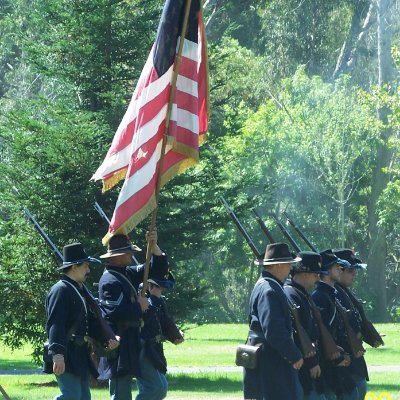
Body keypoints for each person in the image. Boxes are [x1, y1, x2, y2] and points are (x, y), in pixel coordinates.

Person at [97, 231, 169, 400]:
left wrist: (154, 247)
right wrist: (139, 306)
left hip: (135, 340)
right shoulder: (109, 281)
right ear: (117, 255)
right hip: (120, 343)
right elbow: (113, 314)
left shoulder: (126, 273)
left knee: (157, 388)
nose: (131, 254)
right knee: (121, 395)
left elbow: (156, 271)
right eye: (128, 251)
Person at [45, 243, 119, 400]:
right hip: (66, 352)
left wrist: (106, 338)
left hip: (79, 353)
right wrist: (57, 354)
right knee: (71, 396)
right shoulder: (61, 290)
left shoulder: (78, 289)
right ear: (74, 267)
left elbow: (89, 322)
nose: (88, 270)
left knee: (84, 397)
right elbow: (55, 324)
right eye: (85, 266)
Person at [243, 242, 304, 400]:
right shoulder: (270, 290)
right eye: (288, 264)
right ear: (278, 266)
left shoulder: (269, 286)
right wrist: (294, 354)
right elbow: (274, 331)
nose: (291, 268)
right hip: (270, 361)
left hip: (268, 358)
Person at [311, 250, 357, 400]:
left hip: (336, 358)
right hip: (328, 362)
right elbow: (321, 334)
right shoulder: (319, 297)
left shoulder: (330, 294)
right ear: (325, 271)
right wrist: (336, 356)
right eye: (336, 266)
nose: (340, 270)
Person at [284, 251, 328, 400]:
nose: (318, 279)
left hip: (310, 361)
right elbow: (298, 334)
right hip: (303, 365)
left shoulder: (301, 293)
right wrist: (311, 362)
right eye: (315, 275)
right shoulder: (291, 294)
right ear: (304, 273)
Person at [137, 263, 184, 399]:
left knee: (161, 388)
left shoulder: (157, 299)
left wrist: (176, 336)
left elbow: (166, 321)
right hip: (143, 349)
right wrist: (153, 297)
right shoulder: (140, 296)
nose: (161, 289)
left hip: (155, 349)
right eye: (159, 286)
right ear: (150, 285)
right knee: (154, 388)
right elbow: (145, 317)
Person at [333, 248, 369, 400]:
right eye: (350, 270)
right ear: (339, 270)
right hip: (345, 355)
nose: (354, 274)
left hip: (353, 354)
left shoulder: (344, 292)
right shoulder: (334, 293)